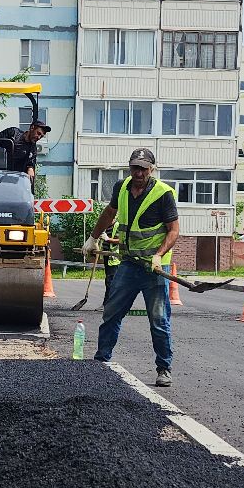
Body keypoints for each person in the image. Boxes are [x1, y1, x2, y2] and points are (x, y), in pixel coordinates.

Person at [82, 147, 180, 386]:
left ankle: (164, 368)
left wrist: (159, 255)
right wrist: (93, 237)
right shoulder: (122, 187)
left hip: (153, 268)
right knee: (111, 313)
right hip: (128, 265)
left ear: (152, 169)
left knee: (158, 319)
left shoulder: (163, 193)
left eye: (143, 168)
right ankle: (101, 361)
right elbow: (109, 212)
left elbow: (174, 230)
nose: (138, 173)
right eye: (134, 167)